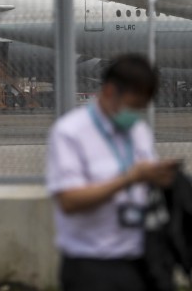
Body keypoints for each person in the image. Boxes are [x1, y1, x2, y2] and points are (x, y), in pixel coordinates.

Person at [46, 53, 179, 291]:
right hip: (91, 264)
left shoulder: (138, 132)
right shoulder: (70, 133)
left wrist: (161, 178)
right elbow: (69, 200)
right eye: (133, 104)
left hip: (140, 258)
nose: (136, 113)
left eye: (142, 107)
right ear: (109, 92)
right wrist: (129, 178)